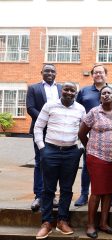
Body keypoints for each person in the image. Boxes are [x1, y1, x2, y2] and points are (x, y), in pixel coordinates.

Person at [34, 82, 85, 240]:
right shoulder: (50, 105)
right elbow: (38, 127)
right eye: (66, 89)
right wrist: (42, 148)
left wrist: (80, 148)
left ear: (76, 93)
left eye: (72, 90)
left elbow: (85, 130)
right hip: (50, 150)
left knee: (67, 189)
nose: (69, 92)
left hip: (71, 153)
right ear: (61, 91)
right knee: (48, 189)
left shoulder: (80, 109)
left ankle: (62, 220)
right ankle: (46, 222)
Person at [75, 63, 112, 207]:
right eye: (95, 72)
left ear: (105, 74)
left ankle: (111, 194)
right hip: (91, 135)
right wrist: (87, 144)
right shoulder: (84, 91)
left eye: (101, 72)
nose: (98, 75)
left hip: (111, 140)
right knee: (88, 167)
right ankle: (84, 194)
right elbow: (77, 110)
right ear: (92, 75)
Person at [78, 86, 112, 239]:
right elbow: (82, 133)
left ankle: (103, 223)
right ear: (100, 97)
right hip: (96, 156)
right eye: (103, 93)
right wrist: (91, 147)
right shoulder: (94, 112)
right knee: (96, 191)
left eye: (109, 93)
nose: (106, 95)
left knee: (109, 191)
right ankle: (90, 224)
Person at [26, 63, 62, 212]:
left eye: (52, 71)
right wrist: (44, 120)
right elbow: (30, 108)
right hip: (40, 130)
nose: (49, 73)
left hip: (57, 131)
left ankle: (52, 195)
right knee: (40, 162)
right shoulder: (34, 88)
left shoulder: (61, 88)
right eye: (47, 70)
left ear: (56, 73)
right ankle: (39, 196)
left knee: (54, 163)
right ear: (41, 72)